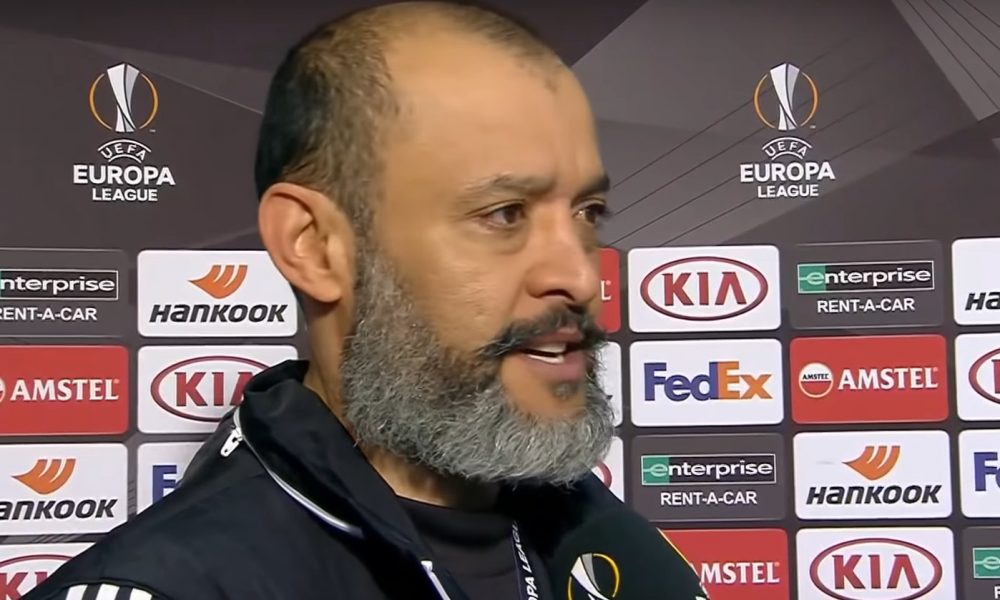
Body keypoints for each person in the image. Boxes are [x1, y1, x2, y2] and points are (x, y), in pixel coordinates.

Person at [24, 2, 706, 599]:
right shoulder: (170, 586)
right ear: (316, 247)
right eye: (504, 215)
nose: (582, 278)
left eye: (588, 212)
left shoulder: (617, 548)